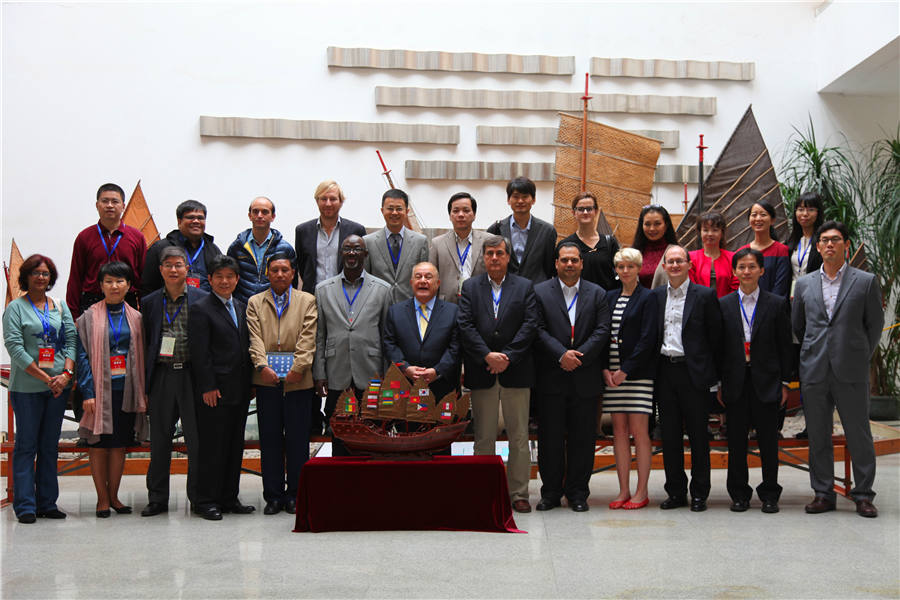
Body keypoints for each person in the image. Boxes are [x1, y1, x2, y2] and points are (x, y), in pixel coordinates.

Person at [793, 221, 884, 518]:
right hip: (814, 369)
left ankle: (863, 495)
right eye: (824, 240)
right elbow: (799, 326)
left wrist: (858, 355)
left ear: (846, 244)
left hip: (851, 368)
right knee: (818, 435)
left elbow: (874, 326)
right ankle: (823, 493)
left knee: (858, 434)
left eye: (835, 240)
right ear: (818, 247)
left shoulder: (865, 281)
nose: (829, 245)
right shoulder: (804, 284)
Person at [457, 236, 538, 513]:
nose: (494, 258)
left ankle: (519, 493)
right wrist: (486, 356)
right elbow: (465, 325)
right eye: (489, 253)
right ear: (484, 257)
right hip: (483, 371)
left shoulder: (525, 287)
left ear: (507, 257)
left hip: (516, 371)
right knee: (484, 437)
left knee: (518, 437)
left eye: (499, 253)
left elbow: (530, 325)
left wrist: (508, 357)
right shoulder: (470, 287)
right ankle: (485, 491)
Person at [533, 243, 610, 512]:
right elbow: (537, 329)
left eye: (574, 260)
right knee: (550, 438)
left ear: (581, 264)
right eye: (564, 260)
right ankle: (551, 493)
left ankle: (578, 493)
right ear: (555, 263)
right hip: (552, 376)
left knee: (583, 439)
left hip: (585, 377)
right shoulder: (540, 292)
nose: (569, 264)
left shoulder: (597, 293)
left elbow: (602, 330)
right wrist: (561, 354)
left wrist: (579, 356)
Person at [3, 255, 76, 523]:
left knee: (49, 446)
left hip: (58, 388)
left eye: (45, 273)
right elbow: (15, 348)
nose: (41, 277)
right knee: (26, 446)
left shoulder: (59, 306)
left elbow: (70, 339)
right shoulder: (15, 308)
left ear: (51, 278)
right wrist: (46, 377)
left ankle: (47, 503)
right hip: (27, 389)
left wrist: (66, 374)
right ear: (26, 277)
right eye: (35, 273)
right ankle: (24, 506)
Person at [718, 248, 792, 513]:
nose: (746, 272)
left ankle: (770, 493)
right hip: (735, 382)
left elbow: (785, 346)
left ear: (762, 271)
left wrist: (785, 383)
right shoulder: (724, 304)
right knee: (736, 442)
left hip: (767, 382)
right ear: (735, 272)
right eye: (741, 267)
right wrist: (719, 384)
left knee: (768, 443)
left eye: (752, 267)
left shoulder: (776, 303)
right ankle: (739, 493)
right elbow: (720, 349)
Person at [650, 246, 722, 512]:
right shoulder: (655, 296)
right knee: (669, 436)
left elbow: (716, 339)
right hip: (665, 372)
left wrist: (714, 379)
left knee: (698, 436)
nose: (675, 265)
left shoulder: (704, 296)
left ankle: (700, 492)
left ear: (690, 265)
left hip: (695, 373)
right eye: (671, 261)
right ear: (664, 267)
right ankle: (676, 492)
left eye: (680, 260)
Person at [75, 261, 148, 518]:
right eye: (108, 281)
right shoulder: (87, 317)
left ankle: (115, 496)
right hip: (97, 392)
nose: (114, 286)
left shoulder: (137, 318)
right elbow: (81, 357)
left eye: (120, 281)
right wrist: (87, 393)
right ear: (101, 285)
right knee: (98, 445)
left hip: (126, 390)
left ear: (129, 286)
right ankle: (101, 499)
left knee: (118, 446)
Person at [246, 253, 317, 515]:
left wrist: (299, 367)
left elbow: (308, 337)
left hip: (299, 381)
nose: (279, 274)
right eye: (274, 270)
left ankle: (296, 494)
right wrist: (261, 366)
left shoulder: (307, 301)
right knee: (271, 439)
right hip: (266, 380)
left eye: (284, 270)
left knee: (298, 440)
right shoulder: (255, 302)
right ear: (267, 273)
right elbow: (254, 337)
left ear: (293, 273)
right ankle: (273, 495)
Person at [139, 246, 207, 517]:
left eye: (179, 265)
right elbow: (145, 342)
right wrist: (145, 385)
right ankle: (157, 498)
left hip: (192, 376)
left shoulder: (202, 299)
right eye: (168, 265)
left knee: (197, 442)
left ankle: (199, 498)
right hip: (162, 376)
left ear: (187, 268)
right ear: (161, 270)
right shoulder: (150, 302)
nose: (174, 269)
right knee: (160, 441)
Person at [188, 255, 254, 520]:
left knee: (233, 445)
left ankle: (229, 497)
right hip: (214, 391)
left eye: (230, 276)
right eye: (219, 276)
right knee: (212, 447)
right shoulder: (201, 308)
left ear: (237, 280)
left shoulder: (240, 306)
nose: (225, 281)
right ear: (211, 279)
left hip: (239, 389)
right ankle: (206, 500)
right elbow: (200, 352)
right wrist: (208, 386)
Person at [313, 235, 392, 451]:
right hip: (337, 371)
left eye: (357, 249)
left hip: (371, 372)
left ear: (365, 255)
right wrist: (320, 373)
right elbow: (320, 334)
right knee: (340, 436)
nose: (351, 253)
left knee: (372, 435)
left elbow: (387, 336)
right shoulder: (323, 289)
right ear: (341, 254)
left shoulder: (383, 289)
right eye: (347, 249)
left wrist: (387, 374)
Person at [602, 248, 658, 510]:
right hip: (612, 376)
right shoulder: (608, 297)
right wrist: (605, 368)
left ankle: (641, 490)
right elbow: (602, 333)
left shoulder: (648, 298)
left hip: (636, 376)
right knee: (619, 433)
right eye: (621, 267)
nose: (625, 271)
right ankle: (623, 490)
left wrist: (627, 369)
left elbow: (648, 339)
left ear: (638, 269)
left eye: (630, 266)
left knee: (639, 433)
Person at [383, 262, 461, 401]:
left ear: (437, 283)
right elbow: (390, 344)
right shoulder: (396, 312)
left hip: (442, 388)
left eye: (428, 277)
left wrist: (437, 371)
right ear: (411, 282)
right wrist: (406, 368)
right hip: (405, 388)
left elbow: (455, 347)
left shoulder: (453, 311)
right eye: (418, 277)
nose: (423, 281)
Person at [67, 183, 146, 318]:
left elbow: (142, 277)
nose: (110, 205)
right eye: (105, 201)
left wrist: (145, 312)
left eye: (115, 201)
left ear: (123, 206)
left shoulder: (137, 237)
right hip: (92, 301)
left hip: (127, 301)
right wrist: (72, 317)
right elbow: (76, 278)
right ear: (97, 205)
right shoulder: (84, 237)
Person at [786, 192, 825, 439]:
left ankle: (816, 425)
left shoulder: (824, 241)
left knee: (814, 367)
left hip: (815, 307)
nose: (804, 214)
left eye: (809, 209)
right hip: (791, 308)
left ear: (818, 213)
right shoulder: (791, 242)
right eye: (800, 209)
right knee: (797, 365)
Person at [294, 180, 367, 295]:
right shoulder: (303, 231)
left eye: (333, 199)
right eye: (323, 199)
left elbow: (362, 265)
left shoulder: (356, 230)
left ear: (341, 202)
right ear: (317, 201)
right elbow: (302, 266)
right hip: (312, 296)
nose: (328, 204)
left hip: (345, 295)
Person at [142, 200, 223, 295]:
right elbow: (147, 286)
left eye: (200, 218)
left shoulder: (213, 250)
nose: (196, 221)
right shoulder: (160, 248)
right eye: (191, 217)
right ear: (179, 221)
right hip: (170, 307)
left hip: (206, 308)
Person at [363, 189, 429, 304]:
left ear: (407, 211)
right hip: (378, 307)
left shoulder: (420, 241)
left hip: (410, 308)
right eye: (390, 208)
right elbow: (366, 280)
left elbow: (424, 279)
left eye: (399, 209)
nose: (394, 213)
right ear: (382, 210)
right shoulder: (368, 242)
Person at [227, 197, 297, 304]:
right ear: (250, 216)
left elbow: (292, 283)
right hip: (243, 307)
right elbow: (230, 278)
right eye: (255, 212)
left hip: (275, 308)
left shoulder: (285, 249)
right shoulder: (237, 247)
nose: (259, 215)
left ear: (273, 216)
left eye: (265, 212)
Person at [486, 177, 556, 284]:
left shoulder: (547, 231)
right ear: (509, 200)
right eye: (515, 197)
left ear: (533, 200)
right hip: (505, 290)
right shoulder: (496, 229)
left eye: (525, 197)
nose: (520, 201)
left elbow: (549, 268)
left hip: (536, 292)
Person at [428, 192, 491, 303]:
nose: (461, 215)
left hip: (480, 302)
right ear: (450, 216)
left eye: (466, 210)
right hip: (446, 303)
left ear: (474, 215)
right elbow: (431, 278)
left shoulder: (488, 241)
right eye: (456, 211)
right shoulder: (437, 243)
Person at [558, 191, 620, 291]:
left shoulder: (609, 243)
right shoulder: (565, 245)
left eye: (589, 209)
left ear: (595, 211)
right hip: (578, 301)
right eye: (581, 209)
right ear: (574, 212)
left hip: (607, 301)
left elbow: (620, 272)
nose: (585, 212)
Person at [738, 201, 790, 298]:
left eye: (763, 215)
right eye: (754, 215)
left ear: (772, 220)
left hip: (774, 306)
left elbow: (781, 286)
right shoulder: (742, 252)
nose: (758, 219)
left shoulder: (781, 250)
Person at [688, 211, 738, 298]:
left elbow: (736, 287)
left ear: (722, 233)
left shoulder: (733, 258)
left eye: (715, 230)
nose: (710, 234)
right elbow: (690, 287)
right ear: (700, 232)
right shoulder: (691, 258)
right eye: (705, 230)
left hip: (726, 307)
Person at [631, 204, 678, 290]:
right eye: (647, 224)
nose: (652, 229)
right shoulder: (633, 253)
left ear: (666, 225)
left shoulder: (677, 253)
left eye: (657, 224)